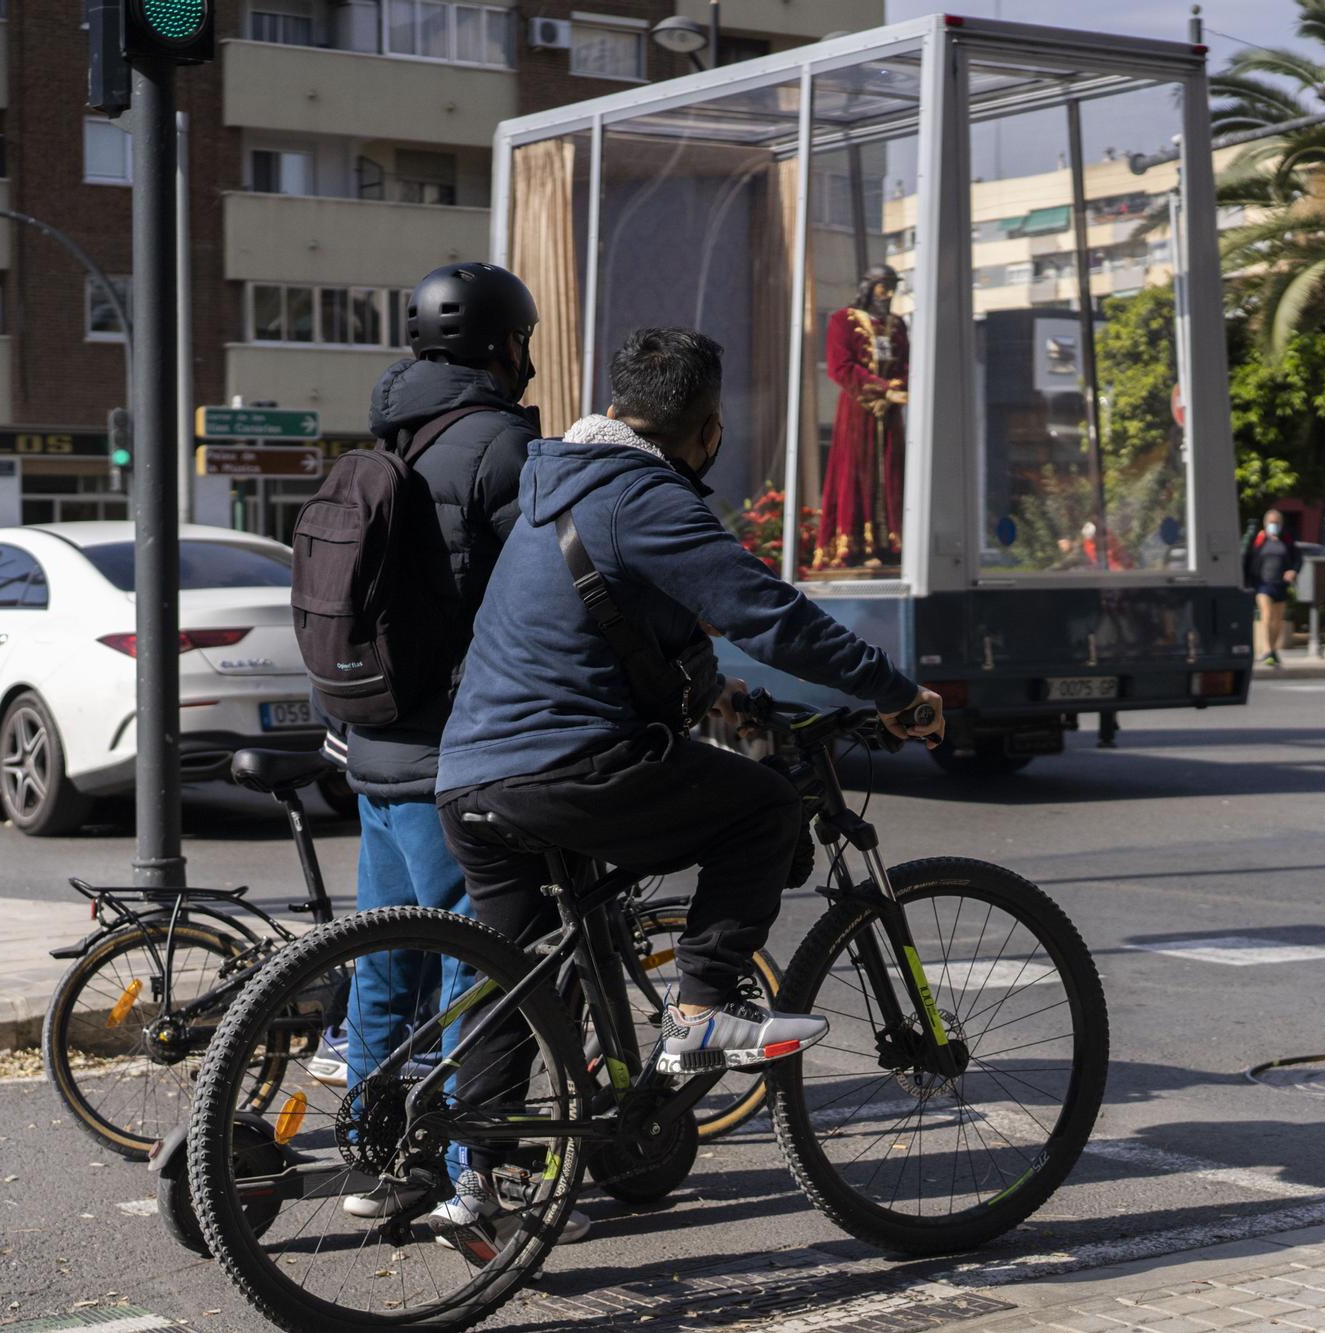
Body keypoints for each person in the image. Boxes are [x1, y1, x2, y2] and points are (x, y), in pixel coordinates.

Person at [437, 325, 941, 1103]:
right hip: (565, 765)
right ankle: (702, 1011)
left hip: (470, 772)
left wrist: (716, 692)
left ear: (613, 404)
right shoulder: (641, 495)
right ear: (709, 431)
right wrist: (896, 692)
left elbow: (615, 629)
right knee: (765, 808)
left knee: (520, 979)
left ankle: (482, 1179)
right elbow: (770, 615)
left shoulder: (554, 485)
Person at [307, 262, 587, 1242]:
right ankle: (483, 1178)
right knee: (486, 968)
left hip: (373, 744)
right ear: (503, 347)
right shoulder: (506, 446)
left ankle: (373, 1163)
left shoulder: (388, 437)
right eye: (523, 340)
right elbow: (559, 589)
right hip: (458, 754)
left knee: (386, 961)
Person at [812, 265, 909, 572]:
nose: (889, 294)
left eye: (893, 287)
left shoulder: (898, 325)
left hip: (891, 415)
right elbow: (840, 366)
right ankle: (854, 546)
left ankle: (889, 544)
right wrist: (881, 391)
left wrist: (897, 391)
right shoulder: (842, 320)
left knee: (891, 472)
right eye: (884, 287)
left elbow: (907, 364)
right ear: (869, 287)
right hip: (856, 412)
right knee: (856, 472)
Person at [1245, 508, 1302, 667]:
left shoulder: (1287, 541)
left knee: (1277, 620)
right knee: (1267, 614)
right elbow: (1248, 560)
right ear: (1265, 523)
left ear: (1281, 524)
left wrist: (1293, 571)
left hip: (1280, 584)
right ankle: (1266, 649)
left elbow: (1298, 560)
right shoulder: (1258, 541)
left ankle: (1273, 650)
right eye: (1271, 523)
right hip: (1262, 584)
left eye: (1276, 523)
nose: (1274, 525)